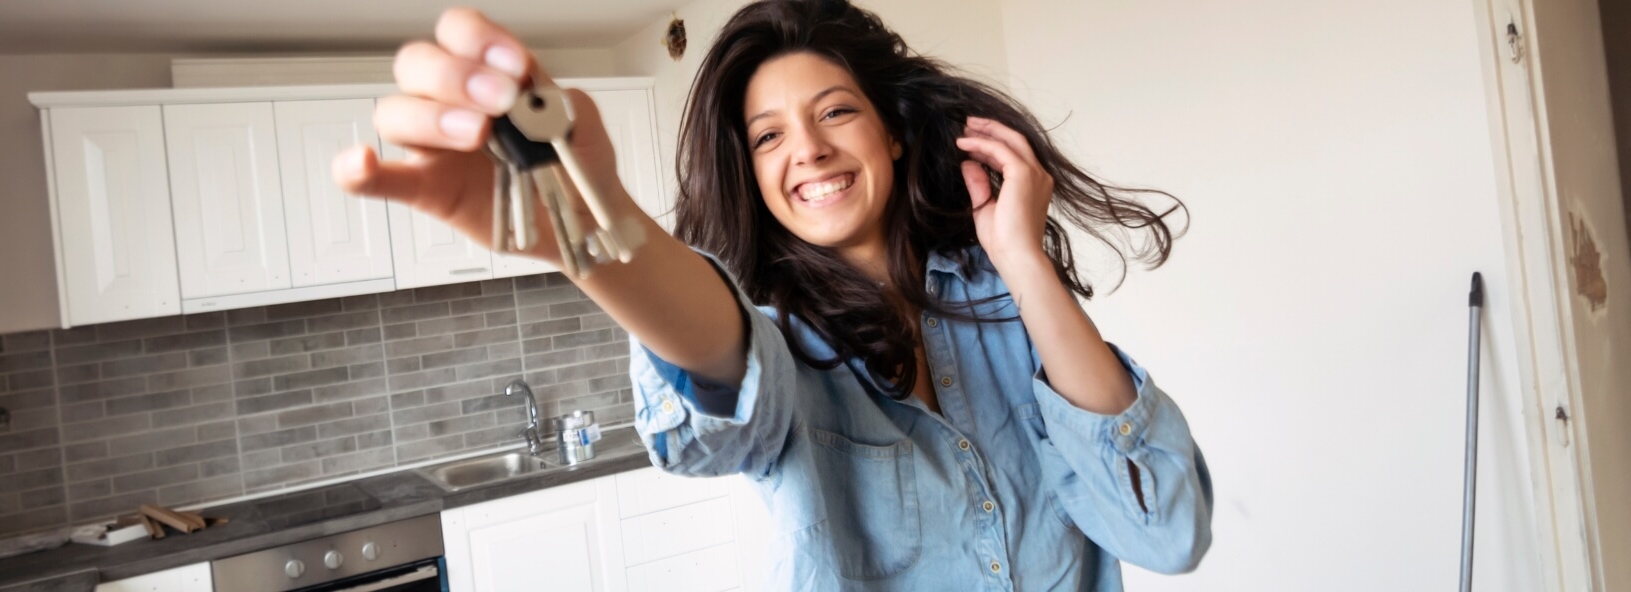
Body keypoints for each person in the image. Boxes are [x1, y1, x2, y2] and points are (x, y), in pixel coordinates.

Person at [335, 1, 1213, 589]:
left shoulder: (998, 299)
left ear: (891, 134)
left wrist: (1023, 260)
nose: (809, 151)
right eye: (767, 137)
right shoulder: (778, 339)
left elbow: (1167, 530)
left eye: (835, 113)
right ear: (751, 174)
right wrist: (595, 237)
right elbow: (724, 352)